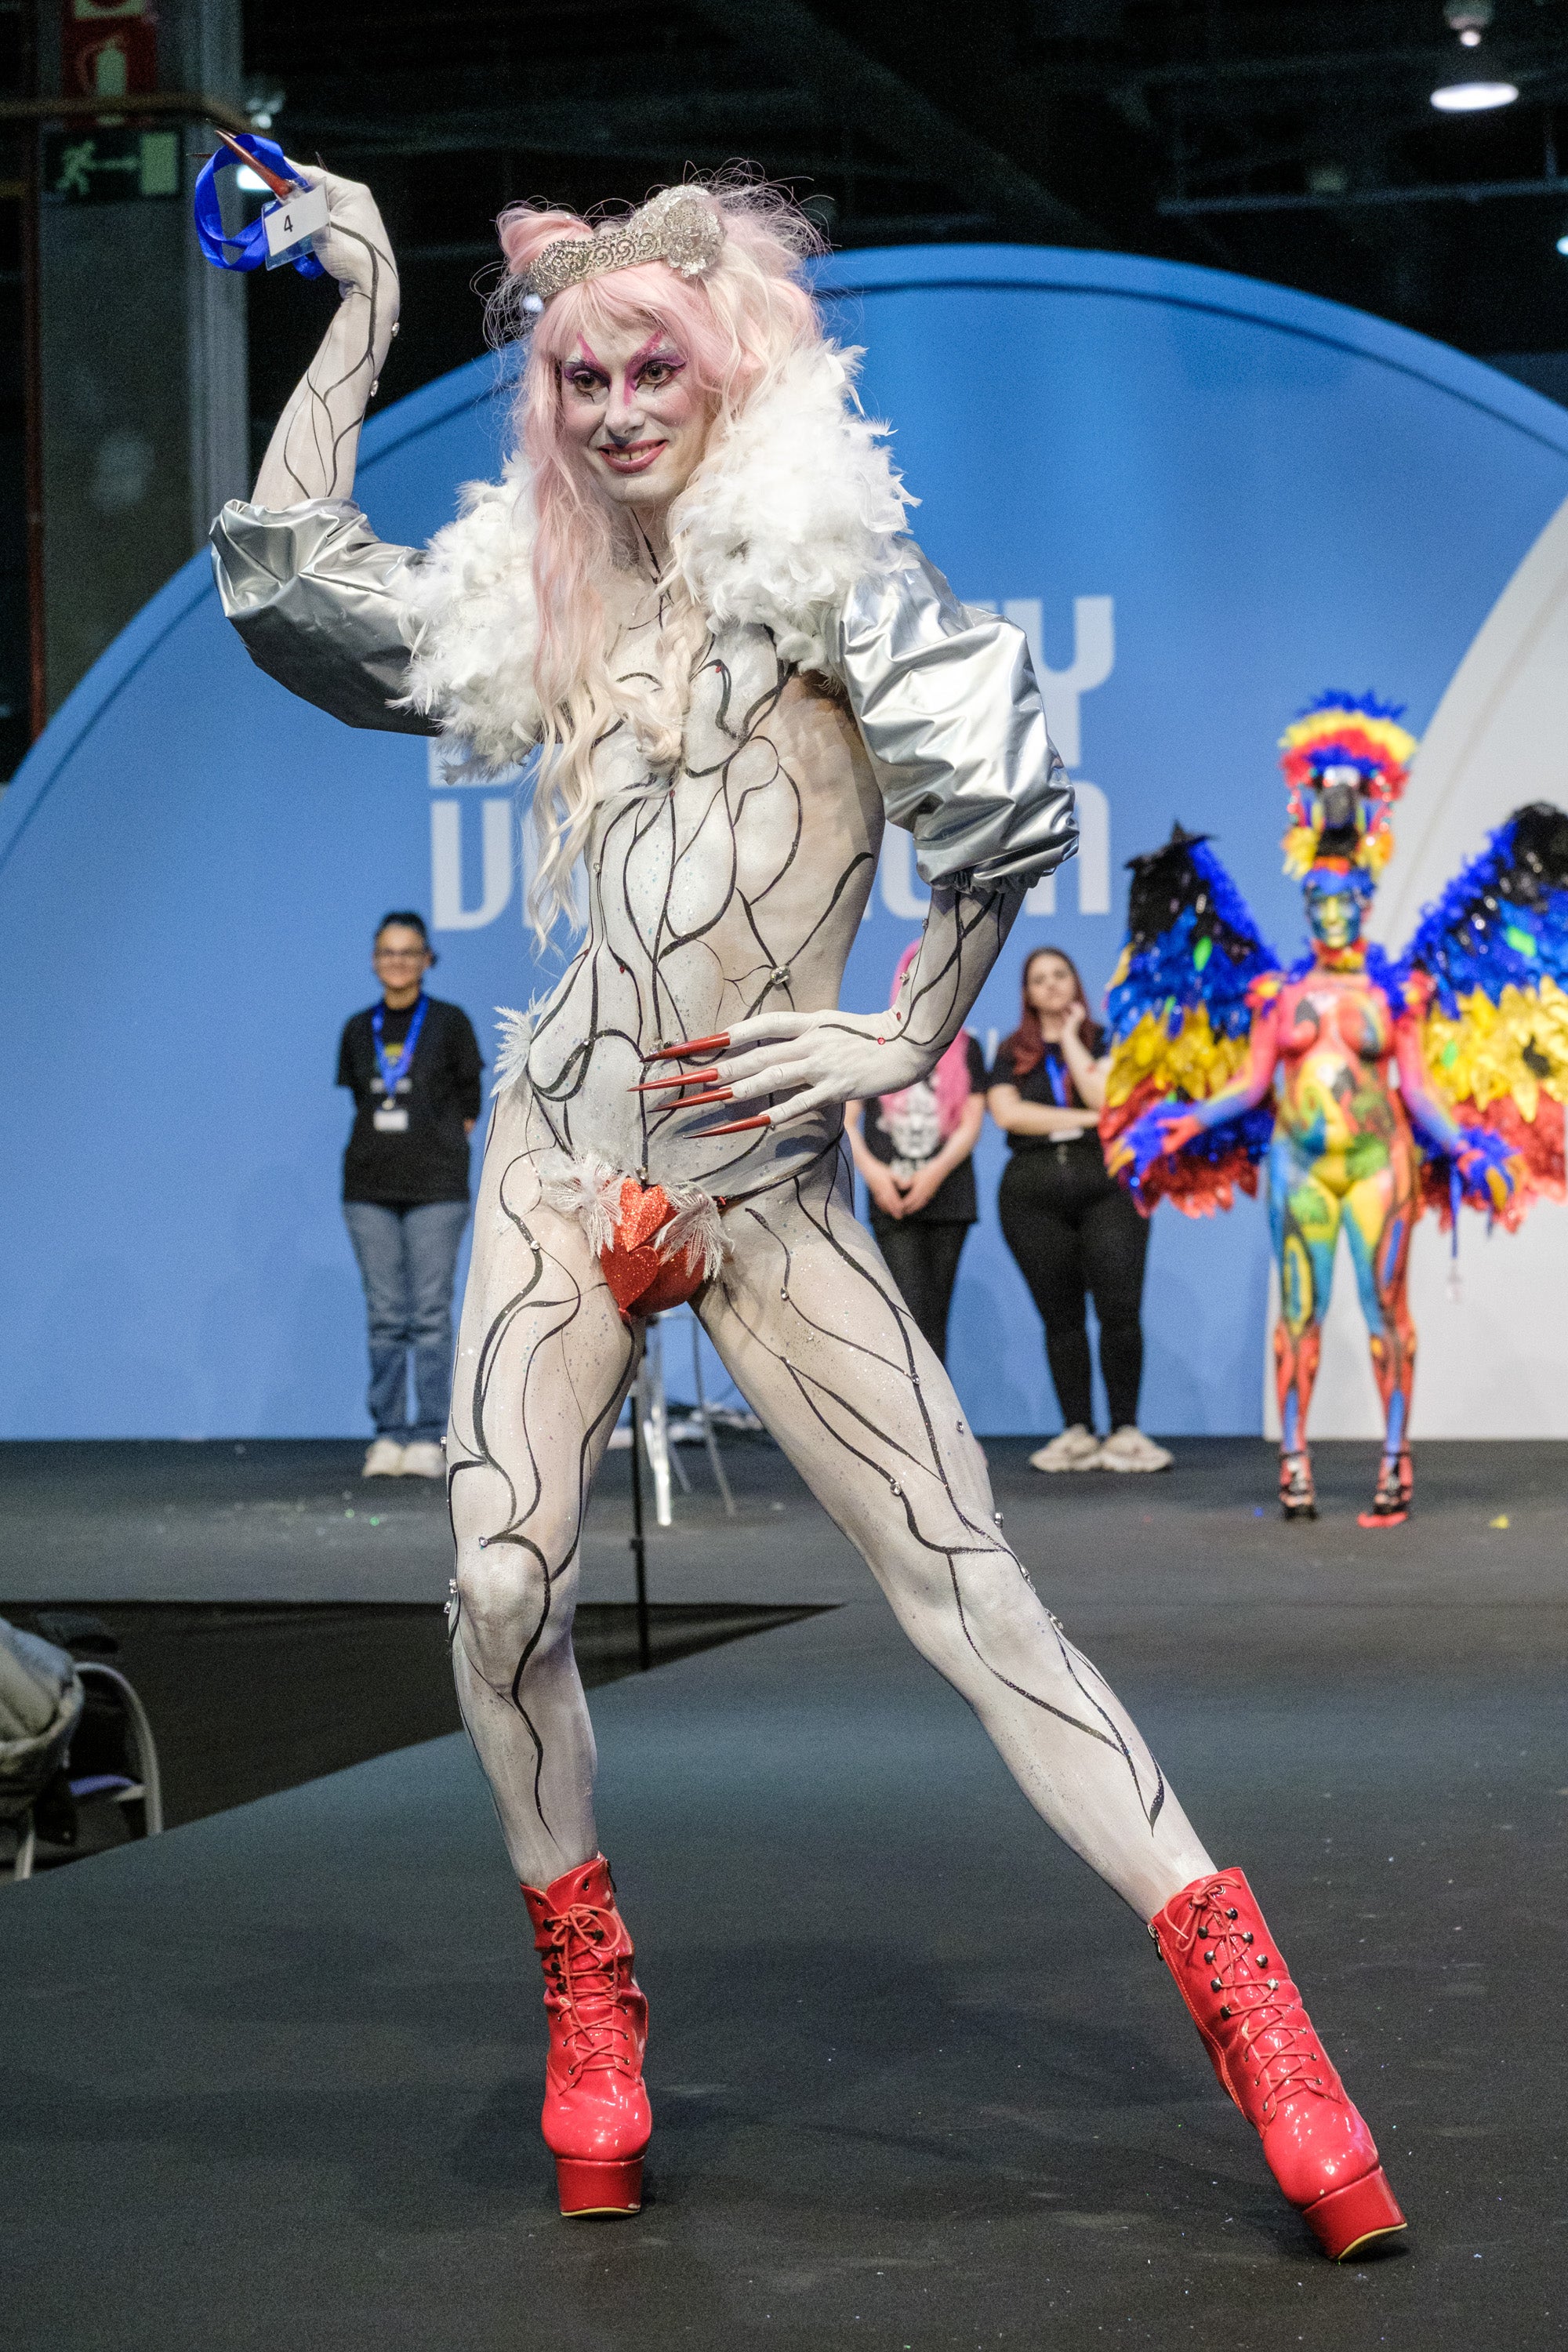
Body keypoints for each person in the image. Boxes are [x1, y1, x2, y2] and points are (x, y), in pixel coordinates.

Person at [209, 167, 1405, 2261]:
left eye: (650, 363)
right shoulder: (541, 592)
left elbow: (1002, 805)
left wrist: (908, 1035)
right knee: (499, 1590)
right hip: (571, 1159)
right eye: (573, 374)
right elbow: (295, 590)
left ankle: (1253, 2002)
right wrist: (363, 300)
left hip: (763, 1190)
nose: (610, 405)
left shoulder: (827, 568)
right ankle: (588, 1975)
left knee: (971, 1596)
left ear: (730, 358)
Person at [1103, 699, 1531, 1529]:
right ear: (1306, 905)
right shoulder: (1279, 994)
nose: (1331, 913)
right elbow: (1253, 1084)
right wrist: (1186, 1120)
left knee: (1384, 1314)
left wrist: (1467, 1146)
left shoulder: (1394, 992)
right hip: (1299, 1169)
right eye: (1319, 903)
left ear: (1364, 901)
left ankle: (1394, 1458)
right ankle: (1292, 1460)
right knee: (1296, 1316)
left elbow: (1415, 1089)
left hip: (1380, 1167)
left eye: (1345, 902)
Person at [988, 948, 1171, 1474]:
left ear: (1075, 981)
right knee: (1061, 1316)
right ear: (1027, 993)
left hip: (1109, 1189)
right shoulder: (1011, 1050)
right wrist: (1090, 1118)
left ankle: (1126, 1431)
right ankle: (1078, 1431)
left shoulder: (1106, 1041)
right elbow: (1009, 1114)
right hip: (1032, 1197)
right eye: (1038, 979)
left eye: (1059, 975)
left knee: (1119, 1310)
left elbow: (1107, 1098)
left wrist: (1069, 1041)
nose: (1050, 986)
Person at [336, 911, 482, 1478]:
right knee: (384, 1315)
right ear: (375, 961)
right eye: (387, 952)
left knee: (429, 1313)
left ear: (427, 959)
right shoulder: (357, 1029)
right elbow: (361, 1100)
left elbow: (470, 1103)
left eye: (408, 951)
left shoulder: (449, 1023)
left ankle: (428, 1434)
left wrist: (437, 1142)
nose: (397, 961)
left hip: (436, 1189)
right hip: (369, 1187)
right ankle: (389, 1433)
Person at [845, 942, 985, 1363]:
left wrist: (935, 1173)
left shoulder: (967, 1047)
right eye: (915, 973)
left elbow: (971, 1124)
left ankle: (941, 1428)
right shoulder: (875, 1044)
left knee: (935, 1317)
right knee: (907, 1314)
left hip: (950, 1195)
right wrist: (872, 1174)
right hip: (891, 1194)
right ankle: (912, 1423)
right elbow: (848, 1122)